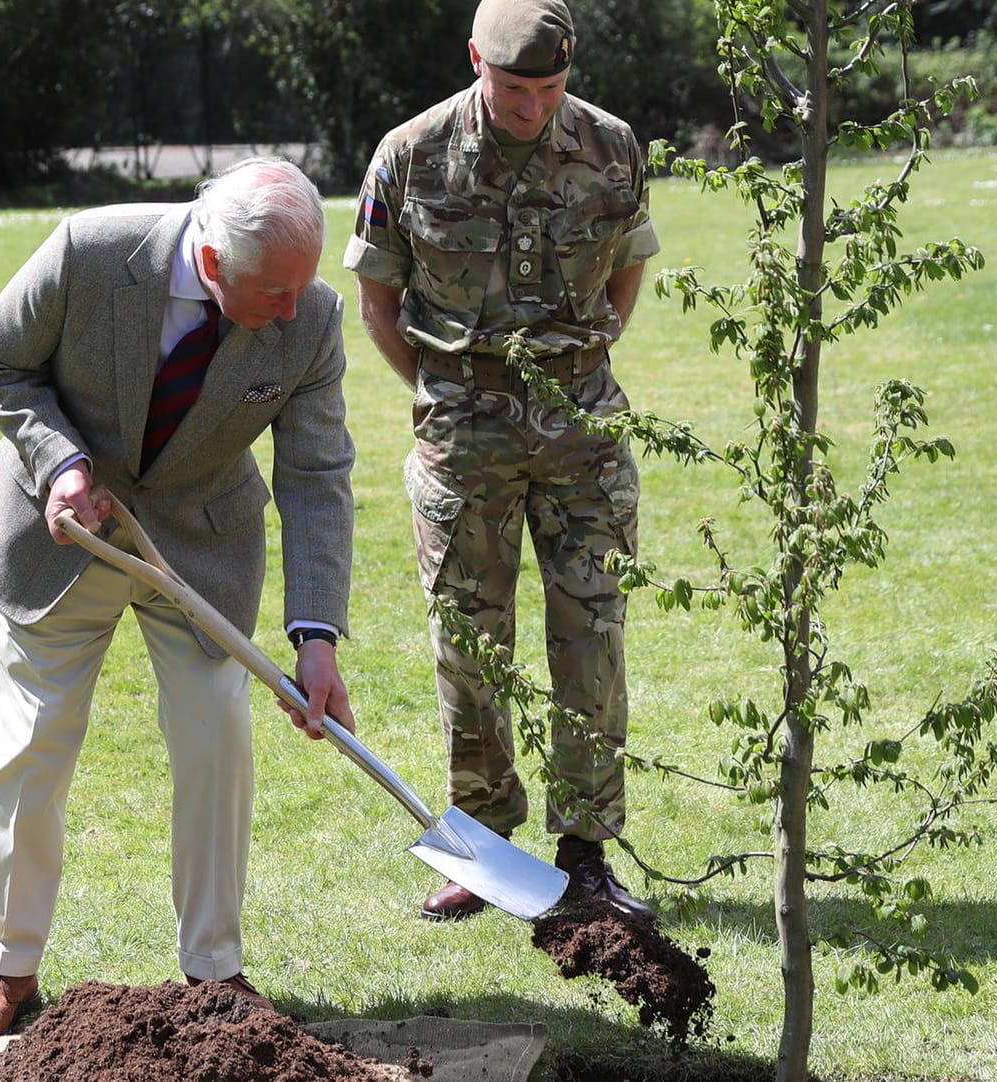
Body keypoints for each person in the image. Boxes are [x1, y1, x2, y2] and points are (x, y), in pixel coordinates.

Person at [0, 158, 358, 1040]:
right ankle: (6, 968)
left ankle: (215, 971)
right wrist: (61, 465)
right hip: (62, 533)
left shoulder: (310, 315)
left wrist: (316, 636)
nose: (292, 311)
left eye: (303, 287)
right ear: (212, 264)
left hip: (201, 547)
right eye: (273, 292)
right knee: (29, 746)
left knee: (217, 733)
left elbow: (317, 475)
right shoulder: (90, 251)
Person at [345, 0, 658, 924]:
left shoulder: (611, 145)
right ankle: (481, 850)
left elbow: (628, 269)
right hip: (462, 429)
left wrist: (576, 363)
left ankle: (587, 853)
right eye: (514, 89)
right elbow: (376, 298)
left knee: (591, 635)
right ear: (474, 58)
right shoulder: (411, 153)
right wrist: (452, 390)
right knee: (471, 646)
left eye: (550, 89)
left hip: (582, 425)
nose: (531, 108)